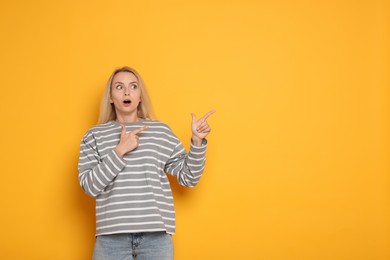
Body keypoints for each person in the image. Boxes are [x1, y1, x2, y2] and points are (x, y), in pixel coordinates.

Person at [78, 66, 215, 260]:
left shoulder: (159, 131)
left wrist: (197, 141)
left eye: (133, 86)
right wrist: (119, 151)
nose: (127, 92)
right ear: (110, 97)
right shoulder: (95, 135)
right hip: (111, 239)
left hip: (156, 238)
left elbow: (189, 177)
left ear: (140, 95)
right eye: (119, 87)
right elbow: (89, 186)